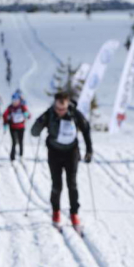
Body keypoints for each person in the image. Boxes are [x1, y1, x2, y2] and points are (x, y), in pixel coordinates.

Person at [31, 92, 93, 230]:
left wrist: (89, 150)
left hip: (71, 153)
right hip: (54, 153)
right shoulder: (49, 114)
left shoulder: (75, 114)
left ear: (68, 104)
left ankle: (74, 213)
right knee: (57, 185)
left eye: (63, 109)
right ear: (54, 104)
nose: (60, 111)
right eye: (58, 108)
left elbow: (86, 129)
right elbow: (34, 132)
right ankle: (56, 211)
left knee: (72, 184)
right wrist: (40, 122)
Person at [2, 93, 30, 161]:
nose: (15, 102)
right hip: (13, 127)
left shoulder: (22, 107)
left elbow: (28, 115)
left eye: (16, 100)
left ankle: (21, 155)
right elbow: (4, 115)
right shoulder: (10, 108)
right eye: (13, 100)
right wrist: (5, 124)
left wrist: (27, 114)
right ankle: (12, 156)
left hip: (21, 127)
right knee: (14, 142)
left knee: (21, 141)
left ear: (19, 100)